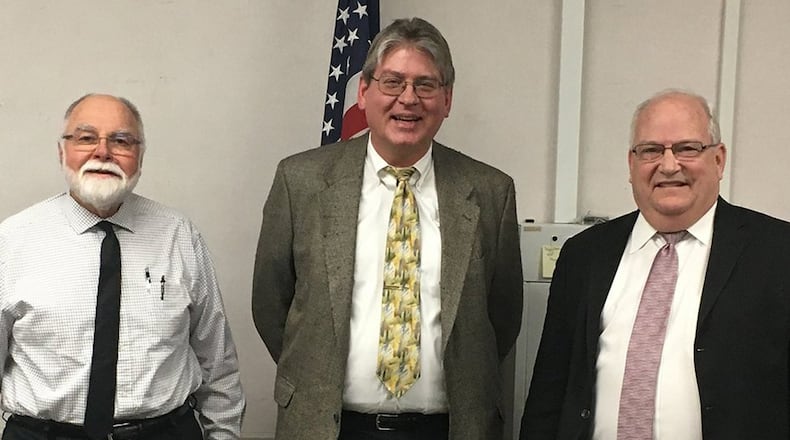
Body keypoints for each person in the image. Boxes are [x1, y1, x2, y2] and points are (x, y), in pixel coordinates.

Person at [252, 17, 523, 440]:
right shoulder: (300, 181)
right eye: (393, 82)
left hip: (450, 428)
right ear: (364, 91)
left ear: (447, 99)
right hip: (328, 426)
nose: (408, 99)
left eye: (426, 85)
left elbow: (502, 317)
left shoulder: (490, 192)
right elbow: (271, 303)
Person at [520, 89, 790, 439]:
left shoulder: (777, 252)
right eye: (650, 150)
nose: (668, 165)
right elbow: (550, 390)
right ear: (631, 165)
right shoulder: (584, 256)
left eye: (687, 148)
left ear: (719, 160)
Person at [0, 94, 245, 440]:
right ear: (62, 152)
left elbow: (218, 364)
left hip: (165, 432)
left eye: (121, 141)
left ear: (140, 157)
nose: (103, 152)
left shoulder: (180, 235)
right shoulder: (12, 241)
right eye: (86, 138)